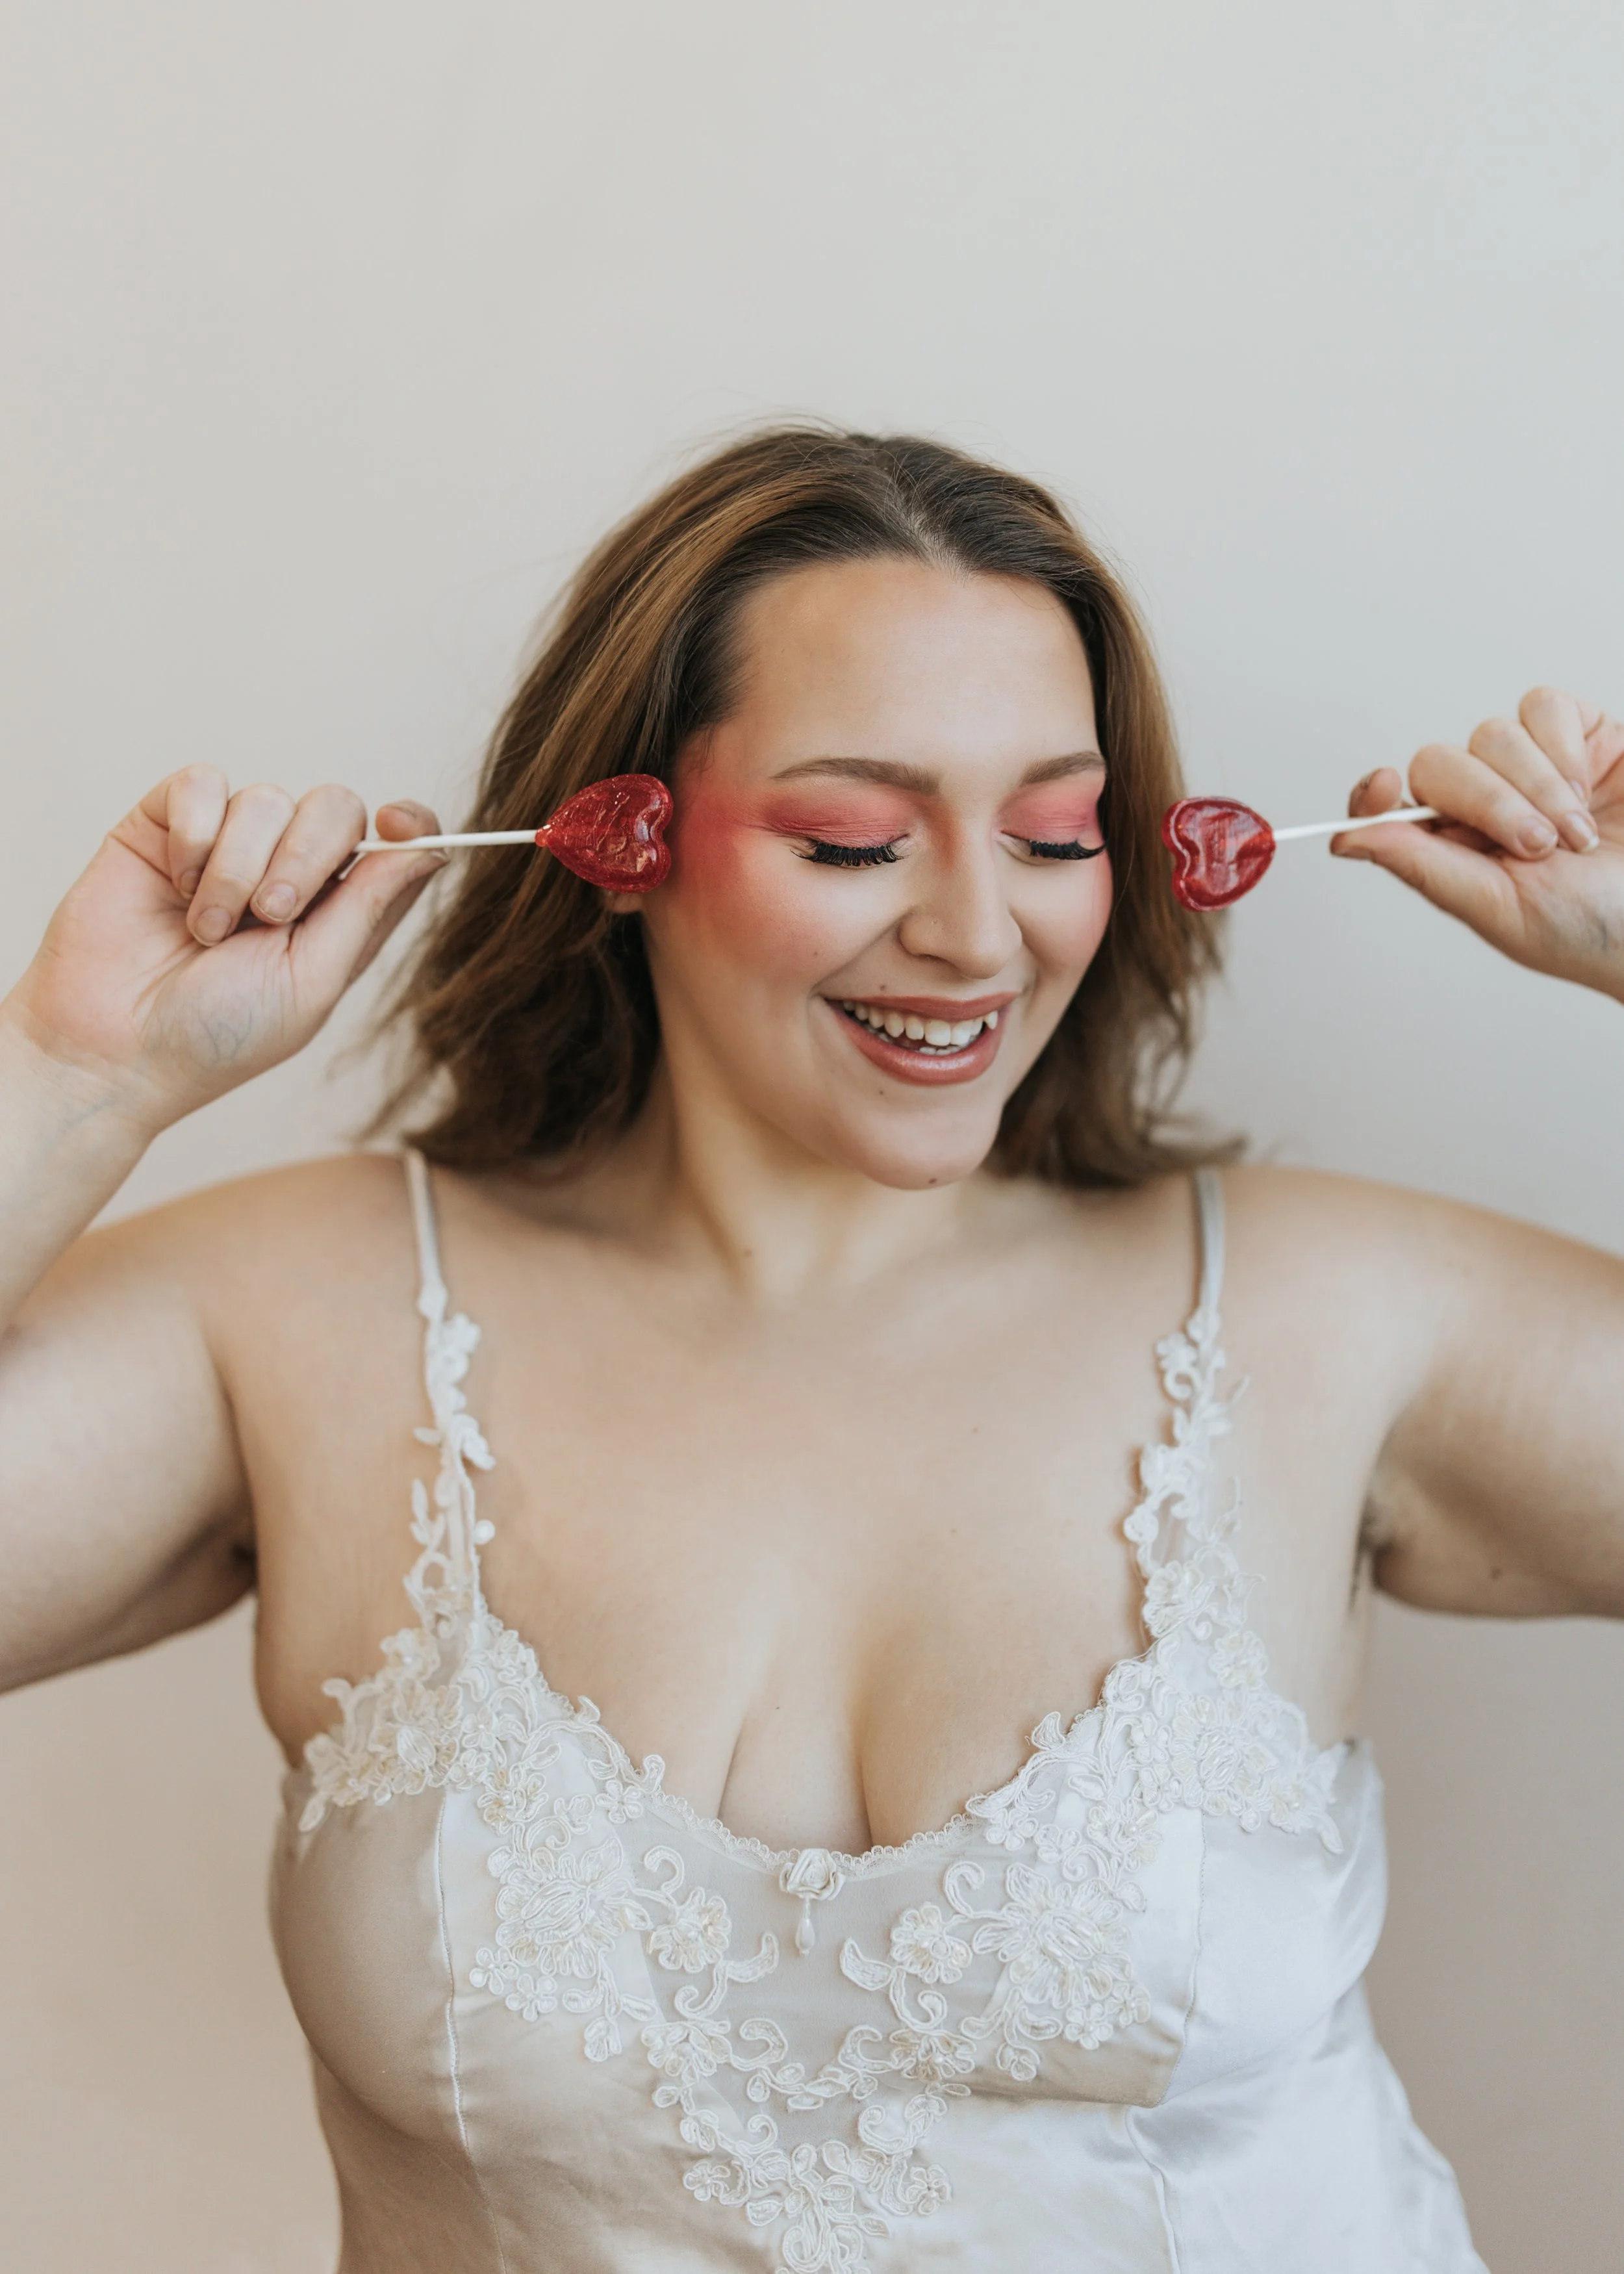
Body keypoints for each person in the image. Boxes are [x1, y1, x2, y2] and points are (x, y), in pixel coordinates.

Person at [2, 428, 1619, 2274]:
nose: (968, 931)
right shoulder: (298, 1309)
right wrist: (74, 1074)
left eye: (1051, 833)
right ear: (618, 841)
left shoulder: (1343, 1317)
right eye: (854, 837)